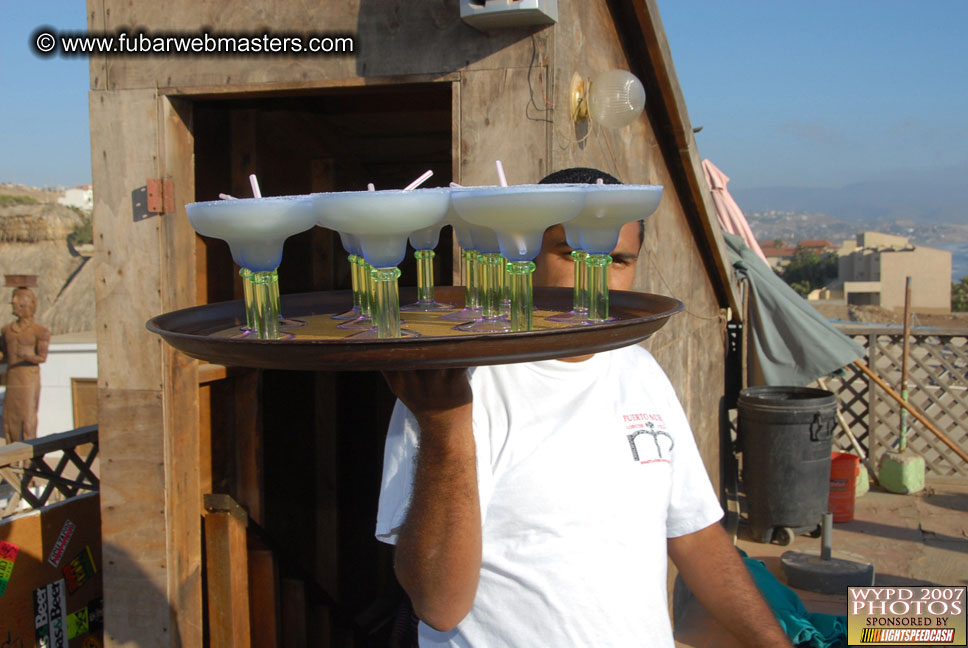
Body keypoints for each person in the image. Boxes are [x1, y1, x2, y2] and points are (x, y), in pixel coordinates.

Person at [376, 169, 792, 647]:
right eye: (573, 254)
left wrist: (773, 642)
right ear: (524, 252)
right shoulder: (453, 384)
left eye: (616, 259)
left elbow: (694, 534)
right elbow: (439, 606)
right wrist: (446, 430)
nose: (597, 279)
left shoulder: (639, 370)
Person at [0, 286, 50, 444]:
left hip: (29, 378)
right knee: (10, 416)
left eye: (18, 302)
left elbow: (42, 357)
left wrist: (27, 357)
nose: (14, 305)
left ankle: (29, 457)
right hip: (12, 377)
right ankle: (12, 454)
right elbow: (4, 355)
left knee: (27, 416)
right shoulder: (6, 330)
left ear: (28, 305)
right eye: (13, 302)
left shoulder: (40, 331)